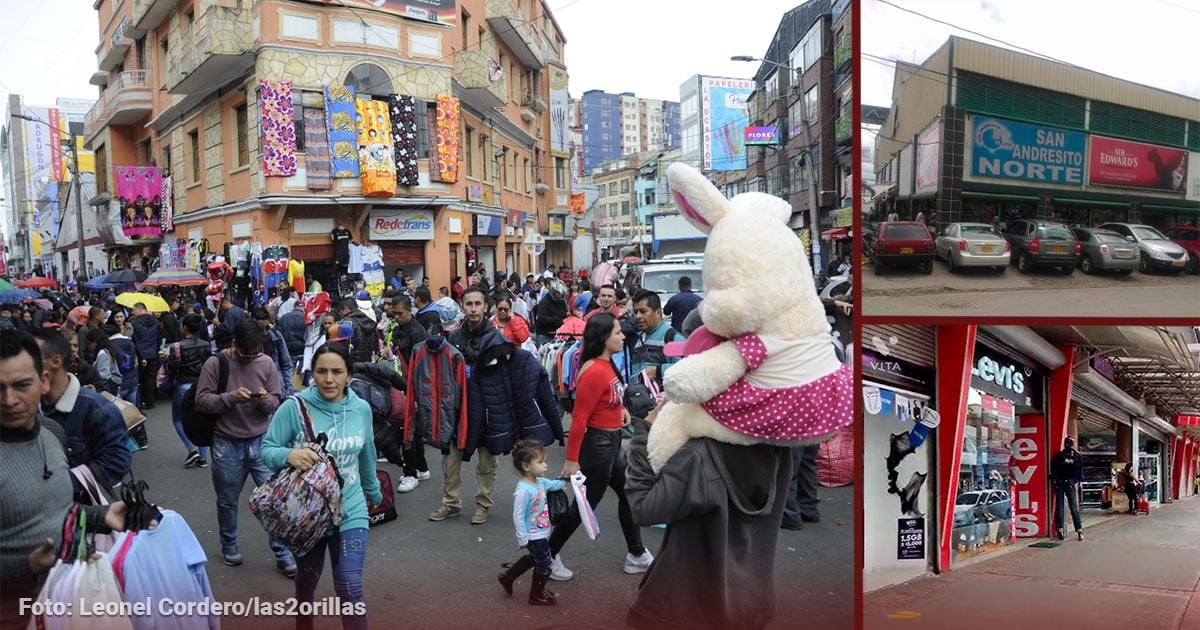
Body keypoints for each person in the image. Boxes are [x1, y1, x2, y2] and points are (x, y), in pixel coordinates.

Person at [0, 330, 135, 628]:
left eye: (21, 385)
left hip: (67, 601)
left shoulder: (53, 434)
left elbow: (55, 509)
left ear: (43, 380)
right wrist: (23, 567)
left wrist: (101, 516)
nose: (9, 400)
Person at [262, 342, 380, 630]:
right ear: (311, 374)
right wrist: (288, 455)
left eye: (337, 372)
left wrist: (373, 491)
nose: (329, 379)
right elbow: (267, 449)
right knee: (307, 581)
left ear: (349, 375)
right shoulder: (295, 407)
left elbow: (367, 453)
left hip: (351, 510)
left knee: (350, 585)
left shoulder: (361, 409)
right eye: (321, 371)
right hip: (308, 515)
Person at [547, 312, 654, 581]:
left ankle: (637, 554)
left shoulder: (606, 365)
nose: (623, 335)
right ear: (604, 338)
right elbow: (580, 418)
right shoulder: (594, 370)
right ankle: (547, 555)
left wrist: (620, 411)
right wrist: (571, 460)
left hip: (612, 442)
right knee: (585, 506)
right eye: (617, 332)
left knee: (629, 495)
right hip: (598, 446)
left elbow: (608, 399)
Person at [194, 319, 297, 574]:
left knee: (274, 500)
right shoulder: (216, 363)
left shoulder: (266, 363)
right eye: (244, 355)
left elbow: (275, 400)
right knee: (227, 500)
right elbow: (201, 401)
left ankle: (282, 552)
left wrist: (263, 401)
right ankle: (229, 545)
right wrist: (231, 398)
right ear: (234, 344)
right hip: (226, 443)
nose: (250, 359)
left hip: (262, 442)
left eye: (254, 354)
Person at [429, 286, 501, 525]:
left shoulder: (495, 338)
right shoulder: (454, 337)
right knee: (450, 458)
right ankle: (451, 504)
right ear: (462, 307)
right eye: (468, 304)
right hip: (457, 409)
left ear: (486, 306)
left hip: (486, 409)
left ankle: (483, 504)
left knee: (486, 461)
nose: (473, 309)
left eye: (477, 304)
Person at [31, 329, 132, 494]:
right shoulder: (26, 405)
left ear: (56, 361)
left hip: (83, 512)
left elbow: (116, 464)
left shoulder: (98, 409)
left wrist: (57, 485)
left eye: (31, 357)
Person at [497, 438, 569, 606]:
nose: (545, 465)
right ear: (526, 466)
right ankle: (536, 595)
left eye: (545, 461)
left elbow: (555, 485)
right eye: (540, 462)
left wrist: (567, 478)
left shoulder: (541, 482)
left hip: (542, 531)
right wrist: (522, 538)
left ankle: (508, 577)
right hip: (532, 534)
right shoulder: (523, 490)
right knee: (544, 562)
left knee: (534, 558)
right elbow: (518, 515)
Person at [168, 314, 212, 468]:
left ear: (184, 327)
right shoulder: (206, 345)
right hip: (201, 385)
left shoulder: (176, 347)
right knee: (202, 419)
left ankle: (191, 449)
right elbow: (209, 366)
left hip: (183, 386)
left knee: (178, 419)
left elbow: (171, 368)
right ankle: (203, 456)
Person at [254, 307, 295, 397]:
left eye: (266, 328)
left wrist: (288, 389)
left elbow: (286, 364)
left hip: (277, 389)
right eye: (260, 329)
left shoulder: (276, 337)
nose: (264, 332)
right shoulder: (250, 341)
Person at [1049, 436, 1084, 541]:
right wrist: (1075, 480)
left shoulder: (1059, 456)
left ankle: (1063, 529)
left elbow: (1053, 470)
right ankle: (1077, 530)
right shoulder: (1076, 457)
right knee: (1071, 507)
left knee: (1063, 506)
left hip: (1063, 482)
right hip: (1067, 482)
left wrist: (1056, 480)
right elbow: (1079, 472)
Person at [130, 302, 163, 410]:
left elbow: (134, 341)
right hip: (153, 353)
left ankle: (141, 400)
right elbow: (159, 339)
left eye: (134, 310)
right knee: (150, 378)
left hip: (140, 355)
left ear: (139, 310)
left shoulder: (134, 323)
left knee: (139, 379)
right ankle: (150, 401)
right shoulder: (156, 322)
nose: (133, 313)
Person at [533, 278, 568, 347]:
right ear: (553, 291)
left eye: (561, 294)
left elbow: (565, 313)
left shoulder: (562, 302)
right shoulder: (544, 302)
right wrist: (553, 319)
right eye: (558, 293)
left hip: (557, 334)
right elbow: (541, 317)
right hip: (544, 334)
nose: (560, 296)